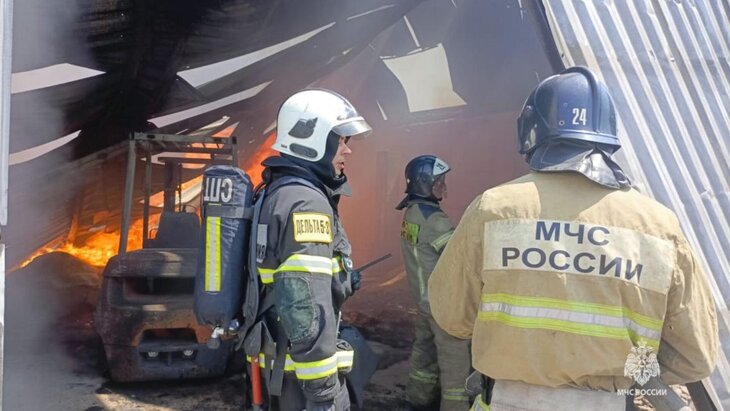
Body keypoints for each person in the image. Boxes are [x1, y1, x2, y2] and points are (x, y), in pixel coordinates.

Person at [427, 66, 719, 411]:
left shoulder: (493, 208)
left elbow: (452, 316)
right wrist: (619, 365)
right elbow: (694, 356)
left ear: (531, 131)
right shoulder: (658, 225)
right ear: (608, 134)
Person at [251, 88, 371, 411]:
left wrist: (340, 277)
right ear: (313, 138)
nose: (347, 150)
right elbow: (305, 301)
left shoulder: (279, 191)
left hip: (282, 365)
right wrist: (325, 392)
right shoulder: (306, 203)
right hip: (304, 379)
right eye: (340, 140)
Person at [396, 155, 472, 411]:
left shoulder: (411, 213)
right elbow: (458, 257)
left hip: (423, 300)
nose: (444, 186)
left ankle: (418, 400)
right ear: (425, 183)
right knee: (455, 362)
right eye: (439, 182)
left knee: (425, 354)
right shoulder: (435, 220)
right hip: (442, 304)